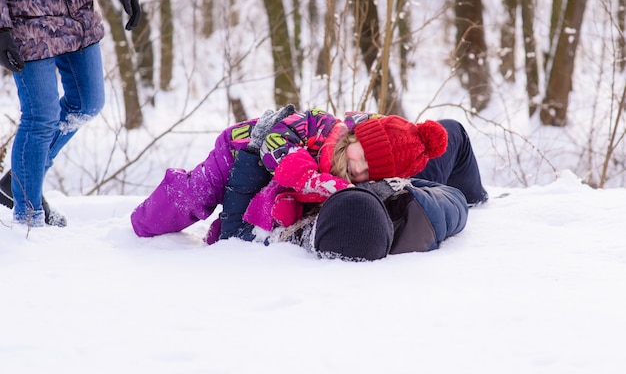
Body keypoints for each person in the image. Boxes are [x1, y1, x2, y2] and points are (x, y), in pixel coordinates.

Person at [130, 107, 449, 243]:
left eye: (368, 173)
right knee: (193, 197)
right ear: (357, 138)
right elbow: (276, 146)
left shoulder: (350, 179)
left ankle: (223, 237)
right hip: (238, 151)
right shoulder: (321, 125)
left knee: (264, 214)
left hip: (265, 183)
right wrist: (316, 180)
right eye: (362, 157)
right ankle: (143, 225)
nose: (359, 169)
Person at [220, 119, 487, 261]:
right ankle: (481, 197)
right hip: (410, 190)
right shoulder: (407, 208)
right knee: (454, 132)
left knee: (451, 132)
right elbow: (454, 199)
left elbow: (232, 234)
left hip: (397, 189)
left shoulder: (302, 233)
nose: (354, 175)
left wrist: (249, 156)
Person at [0, 0, 141, 227]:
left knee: (88, 102)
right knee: (40, 117)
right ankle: (29, 220)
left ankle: (19, 180)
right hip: (26, 13)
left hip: (77, 7)